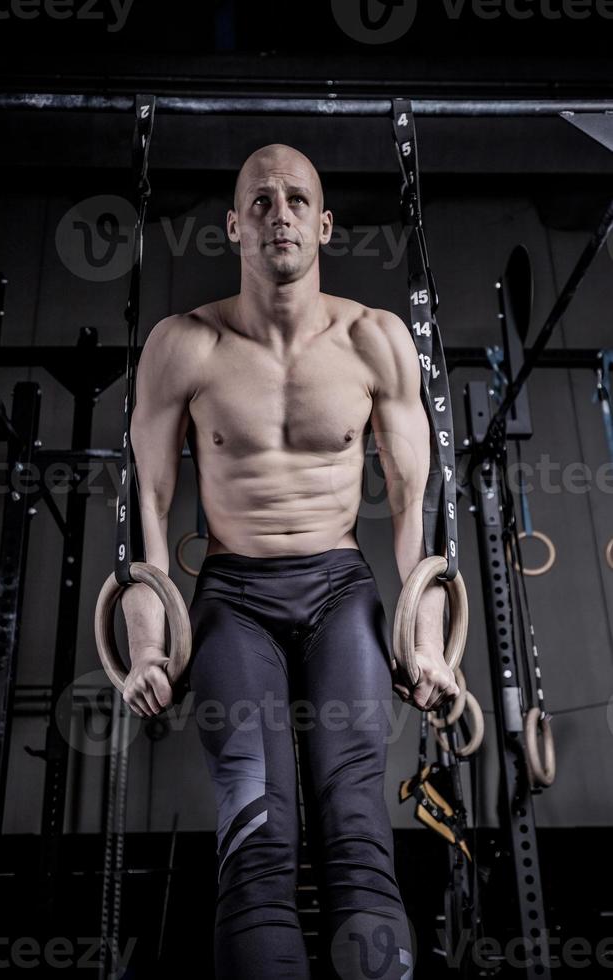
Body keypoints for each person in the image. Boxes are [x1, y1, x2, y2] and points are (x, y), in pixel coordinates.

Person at [120, 143, 460, 980]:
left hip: (342, 591)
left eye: (298, 200)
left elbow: (416, 523)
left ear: (325, 224)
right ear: (236, 224)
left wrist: (424, 647)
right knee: (258, 838)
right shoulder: (182, 346)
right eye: (262, 201)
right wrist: (147, 651)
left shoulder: (376, 341)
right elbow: (148, 529)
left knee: (357, 828)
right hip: (232, 598)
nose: (281, 215)